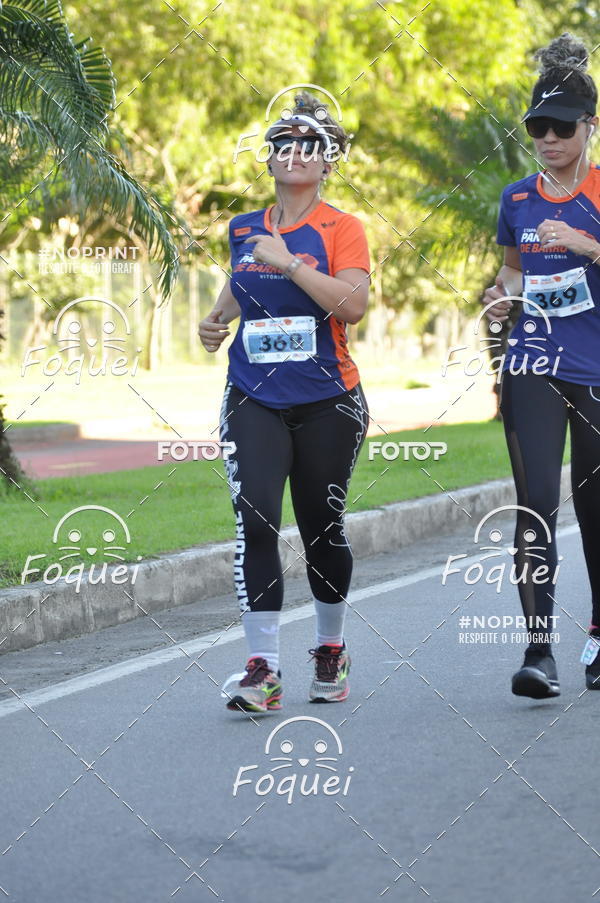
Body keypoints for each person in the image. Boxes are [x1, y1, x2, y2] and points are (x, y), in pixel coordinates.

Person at [198, 92, 371, 713]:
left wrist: (291, 264)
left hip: (329, 399)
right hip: (254, 396)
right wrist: (216, 321)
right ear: (268, 159)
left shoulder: (342, 229)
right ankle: (263, 669)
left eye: (309, 145)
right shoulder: (244, 227)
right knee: (257, 520)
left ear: (328, 163)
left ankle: (330, 649)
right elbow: (241, 286)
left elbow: (351, 305)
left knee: (321, 527)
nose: (293, 153)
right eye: (282, 144)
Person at [483, 33, 600, 699]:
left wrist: (587, 242)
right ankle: (537, 652)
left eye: (561, 127)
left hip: (597, 368)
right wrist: (499, 301)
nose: (549, 140)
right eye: (537, 129)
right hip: (532, 363)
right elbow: (511, 272)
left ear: (590, 127)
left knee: (597, 502)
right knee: (535, 506)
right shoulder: (517, 200)